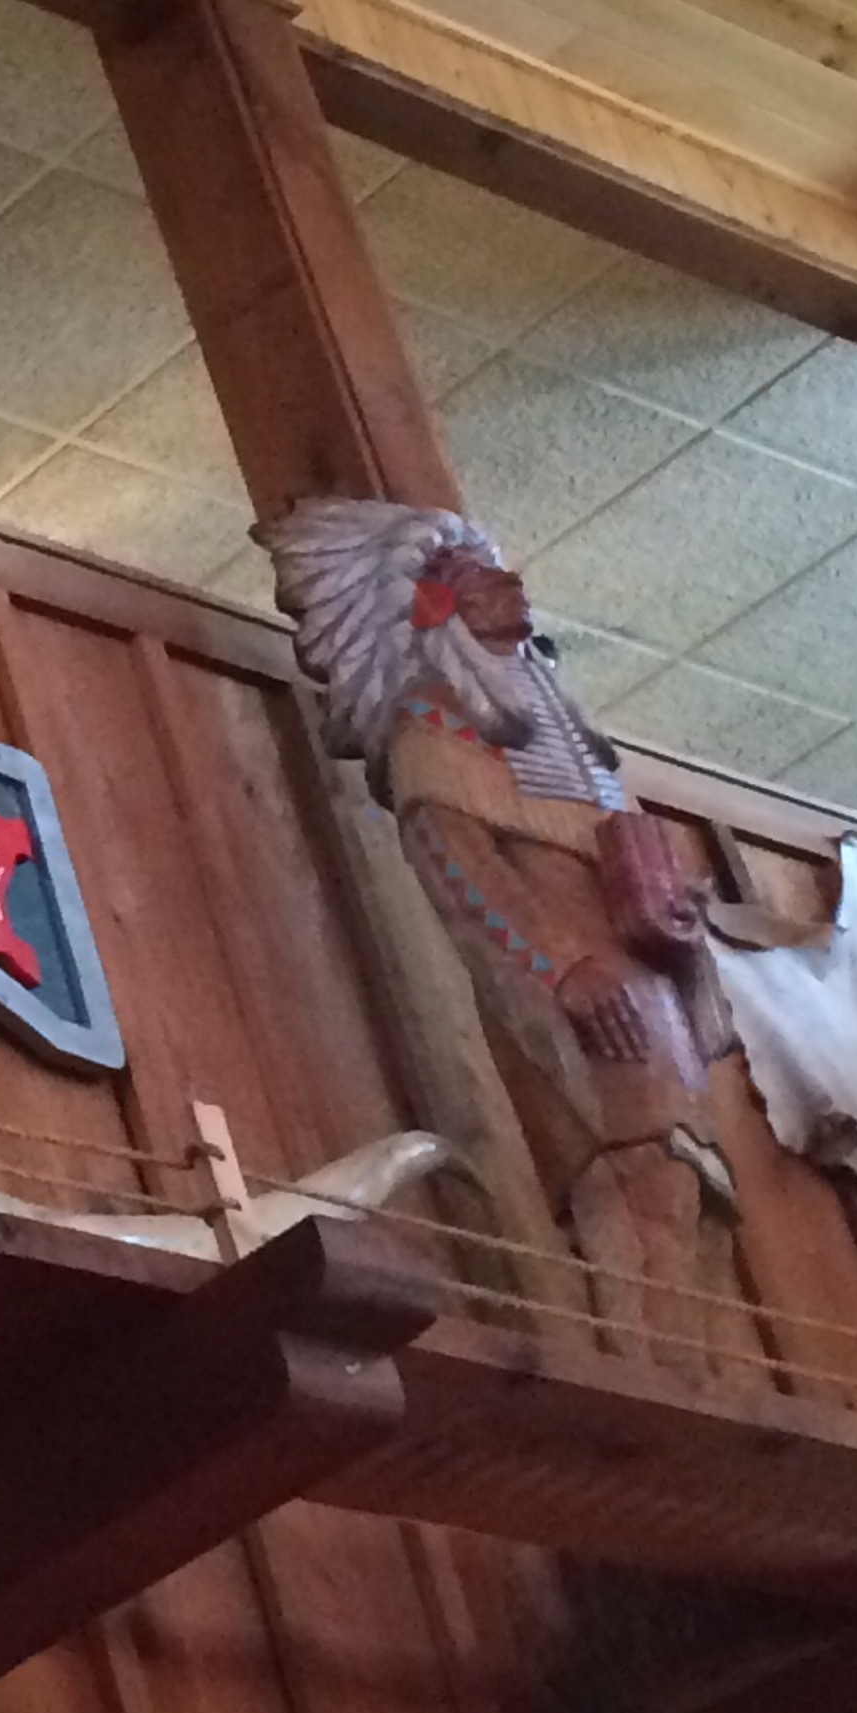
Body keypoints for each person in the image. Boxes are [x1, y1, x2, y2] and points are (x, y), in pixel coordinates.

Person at [261, 498, 733, 1366]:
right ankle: (649, 1369)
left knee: (682, 1181)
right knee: (629, 1179)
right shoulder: (434, 734)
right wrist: (558, 971)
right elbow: (462, 871)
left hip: (641, 977)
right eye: (480, 580)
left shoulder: (567, 741)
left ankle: (682, 1369)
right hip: (579, 982)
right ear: (436, 609)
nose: (511, 586)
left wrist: (677, 923)